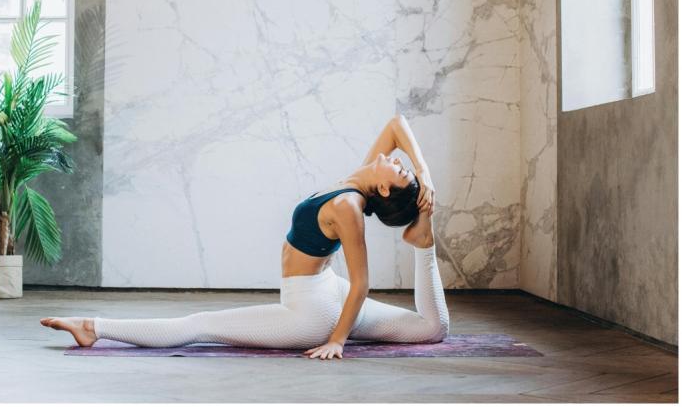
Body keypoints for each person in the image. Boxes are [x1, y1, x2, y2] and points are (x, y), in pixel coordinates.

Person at [41, 114, 449, 360]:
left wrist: (337, 340)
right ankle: (422, 238)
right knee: (431, 329)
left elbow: (362, 283)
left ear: (383, 190)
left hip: (313, 312)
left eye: (404, 173)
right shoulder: (357, 182)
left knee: (200, 325)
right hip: (329, 293)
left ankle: (94, 327)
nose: (400, 163)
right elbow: (397, 124)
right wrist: (425, 176)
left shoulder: (349, 207)